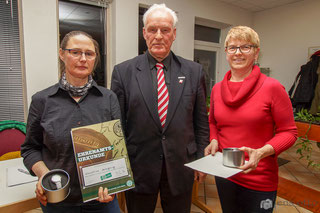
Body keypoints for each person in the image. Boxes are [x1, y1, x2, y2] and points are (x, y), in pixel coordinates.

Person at [111, 4, 209, 213]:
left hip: (182, 165)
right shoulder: (123, 72)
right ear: (144, 32)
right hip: (139, 166)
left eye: (165, 30)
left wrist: (202, 158)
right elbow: (117, 125)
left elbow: (200, 121)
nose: (158, 36)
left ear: (173, 34)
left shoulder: (194, 71)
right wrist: (117, 168)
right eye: (152, 29)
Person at [21, 31, 121, 213]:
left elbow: (118, 147)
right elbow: (30, 149)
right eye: (75, 52)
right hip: (59, 199)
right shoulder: (42, 100)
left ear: (95, 58)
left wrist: (114, 182)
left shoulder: (108, 98)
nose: (83, 58)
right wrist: (44, 175)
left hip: (102, 199)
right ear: (62, 54)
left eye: (89, 54)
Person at [205, 26, 297, 213]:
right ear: (226, 53)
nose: (238, 53)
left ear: (256, 53)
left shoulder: (272, 88)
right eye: (232, 48)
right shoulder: (217, 89)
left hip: (258, 177)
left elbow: (289, 132)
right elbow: (213, 122)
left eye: (245, 47)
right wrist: (214, 139)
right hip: (225, 173)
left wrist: (262, 152)